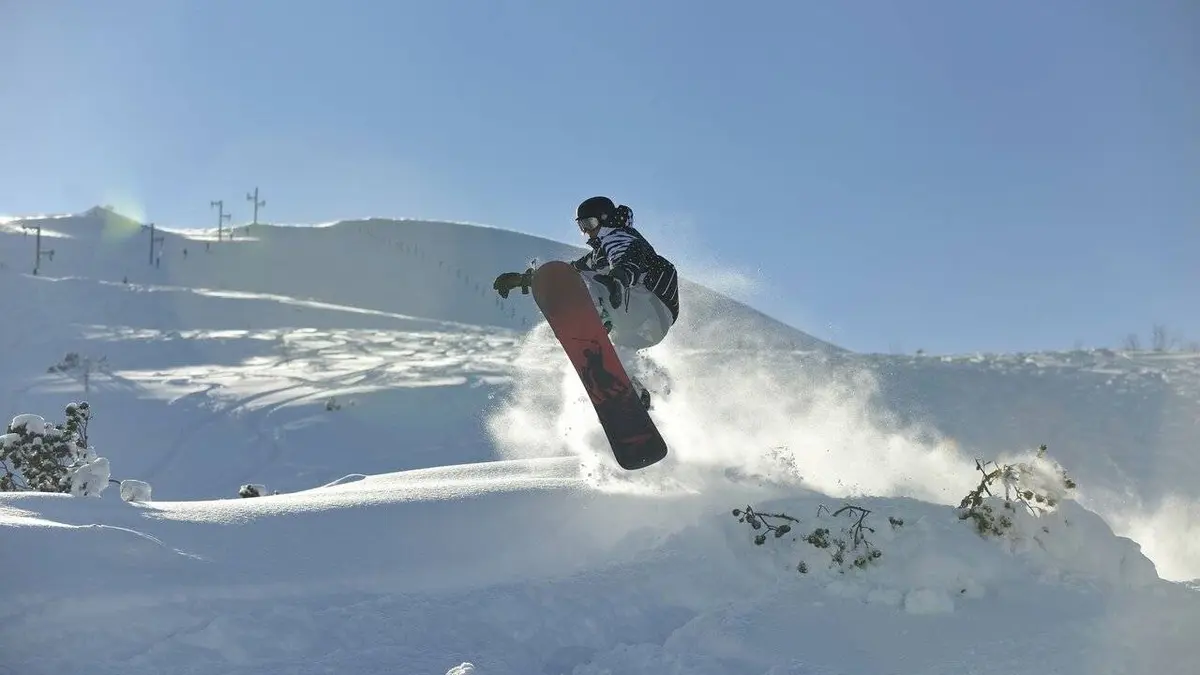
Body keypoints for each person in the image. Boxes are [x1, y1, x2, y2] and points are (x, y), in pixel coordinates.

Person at [493, 196, 679, 408]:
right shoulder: (600, 254)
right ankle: (644, 386)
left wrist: (619, 279)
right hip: (650, 326)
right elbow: (570, 269)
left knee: (576, 279)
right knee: (619, 353)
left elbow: (626, 258)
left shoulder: (617, 236)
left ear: (605, 219)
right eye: (582, 226)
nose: (587, 231)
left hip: (646, 306)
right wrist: (525, 280)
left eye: (590, 223)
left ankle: (597, 321)